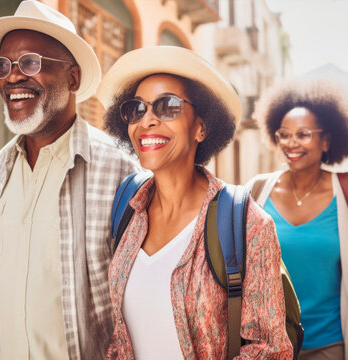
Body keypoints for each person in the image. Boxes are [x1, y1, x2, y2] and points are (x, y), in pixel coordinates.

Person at [0, 1, 138, 359]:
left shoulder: (120, 170)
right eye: (3, 66)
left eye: (31, 63)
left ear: (73, 78)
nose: (12, 77)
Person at [96, 46, 292, 359]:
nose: (147, 120)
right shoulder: (126, 211)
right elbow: (117, 337)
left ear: (201, 126)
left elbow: (271, 349)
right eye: (136, 109)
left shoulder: (247, 224)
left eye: (168, 107)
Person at [247, 79, 348, 360]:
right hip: (267, 345)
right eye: (284, 134)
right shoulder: (257, 191)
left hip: (330, 343)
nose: (291, 143)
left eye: (303, 134)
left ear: (327, 140)